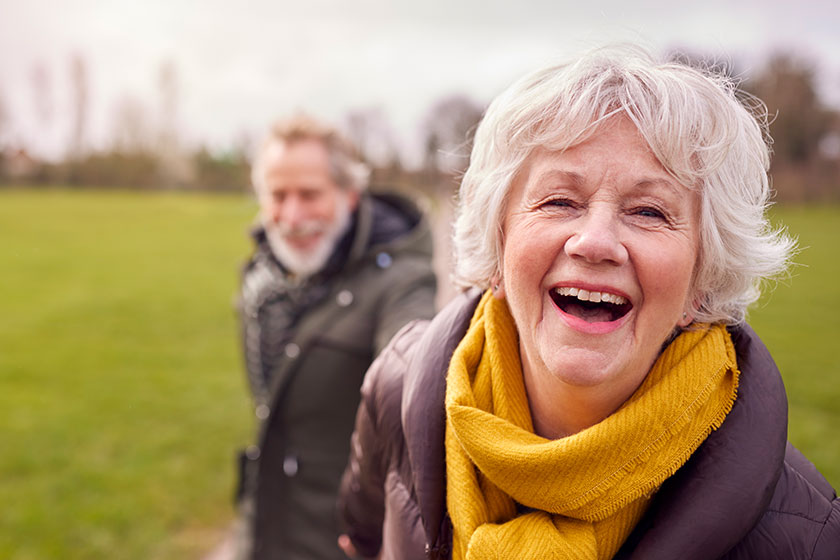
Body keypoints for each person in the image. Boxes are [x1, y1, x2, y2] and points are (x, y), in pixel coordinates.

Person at [338, 45, 840, 559]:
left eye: (648, 211)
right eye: (559, 201)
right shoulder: (395, 385)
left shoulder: (810, 537)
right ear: (498, 242)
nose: (595, 242)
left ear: (702, 280)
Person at [235, 114, 437, 559]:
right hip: (264, 531)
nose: (291, 215)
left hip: (341, 541)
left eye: (309, 194)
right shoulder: (262, 279)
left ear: (348, 195)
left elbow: (412, 372)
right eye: (278, 195)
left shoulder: (402, 282)